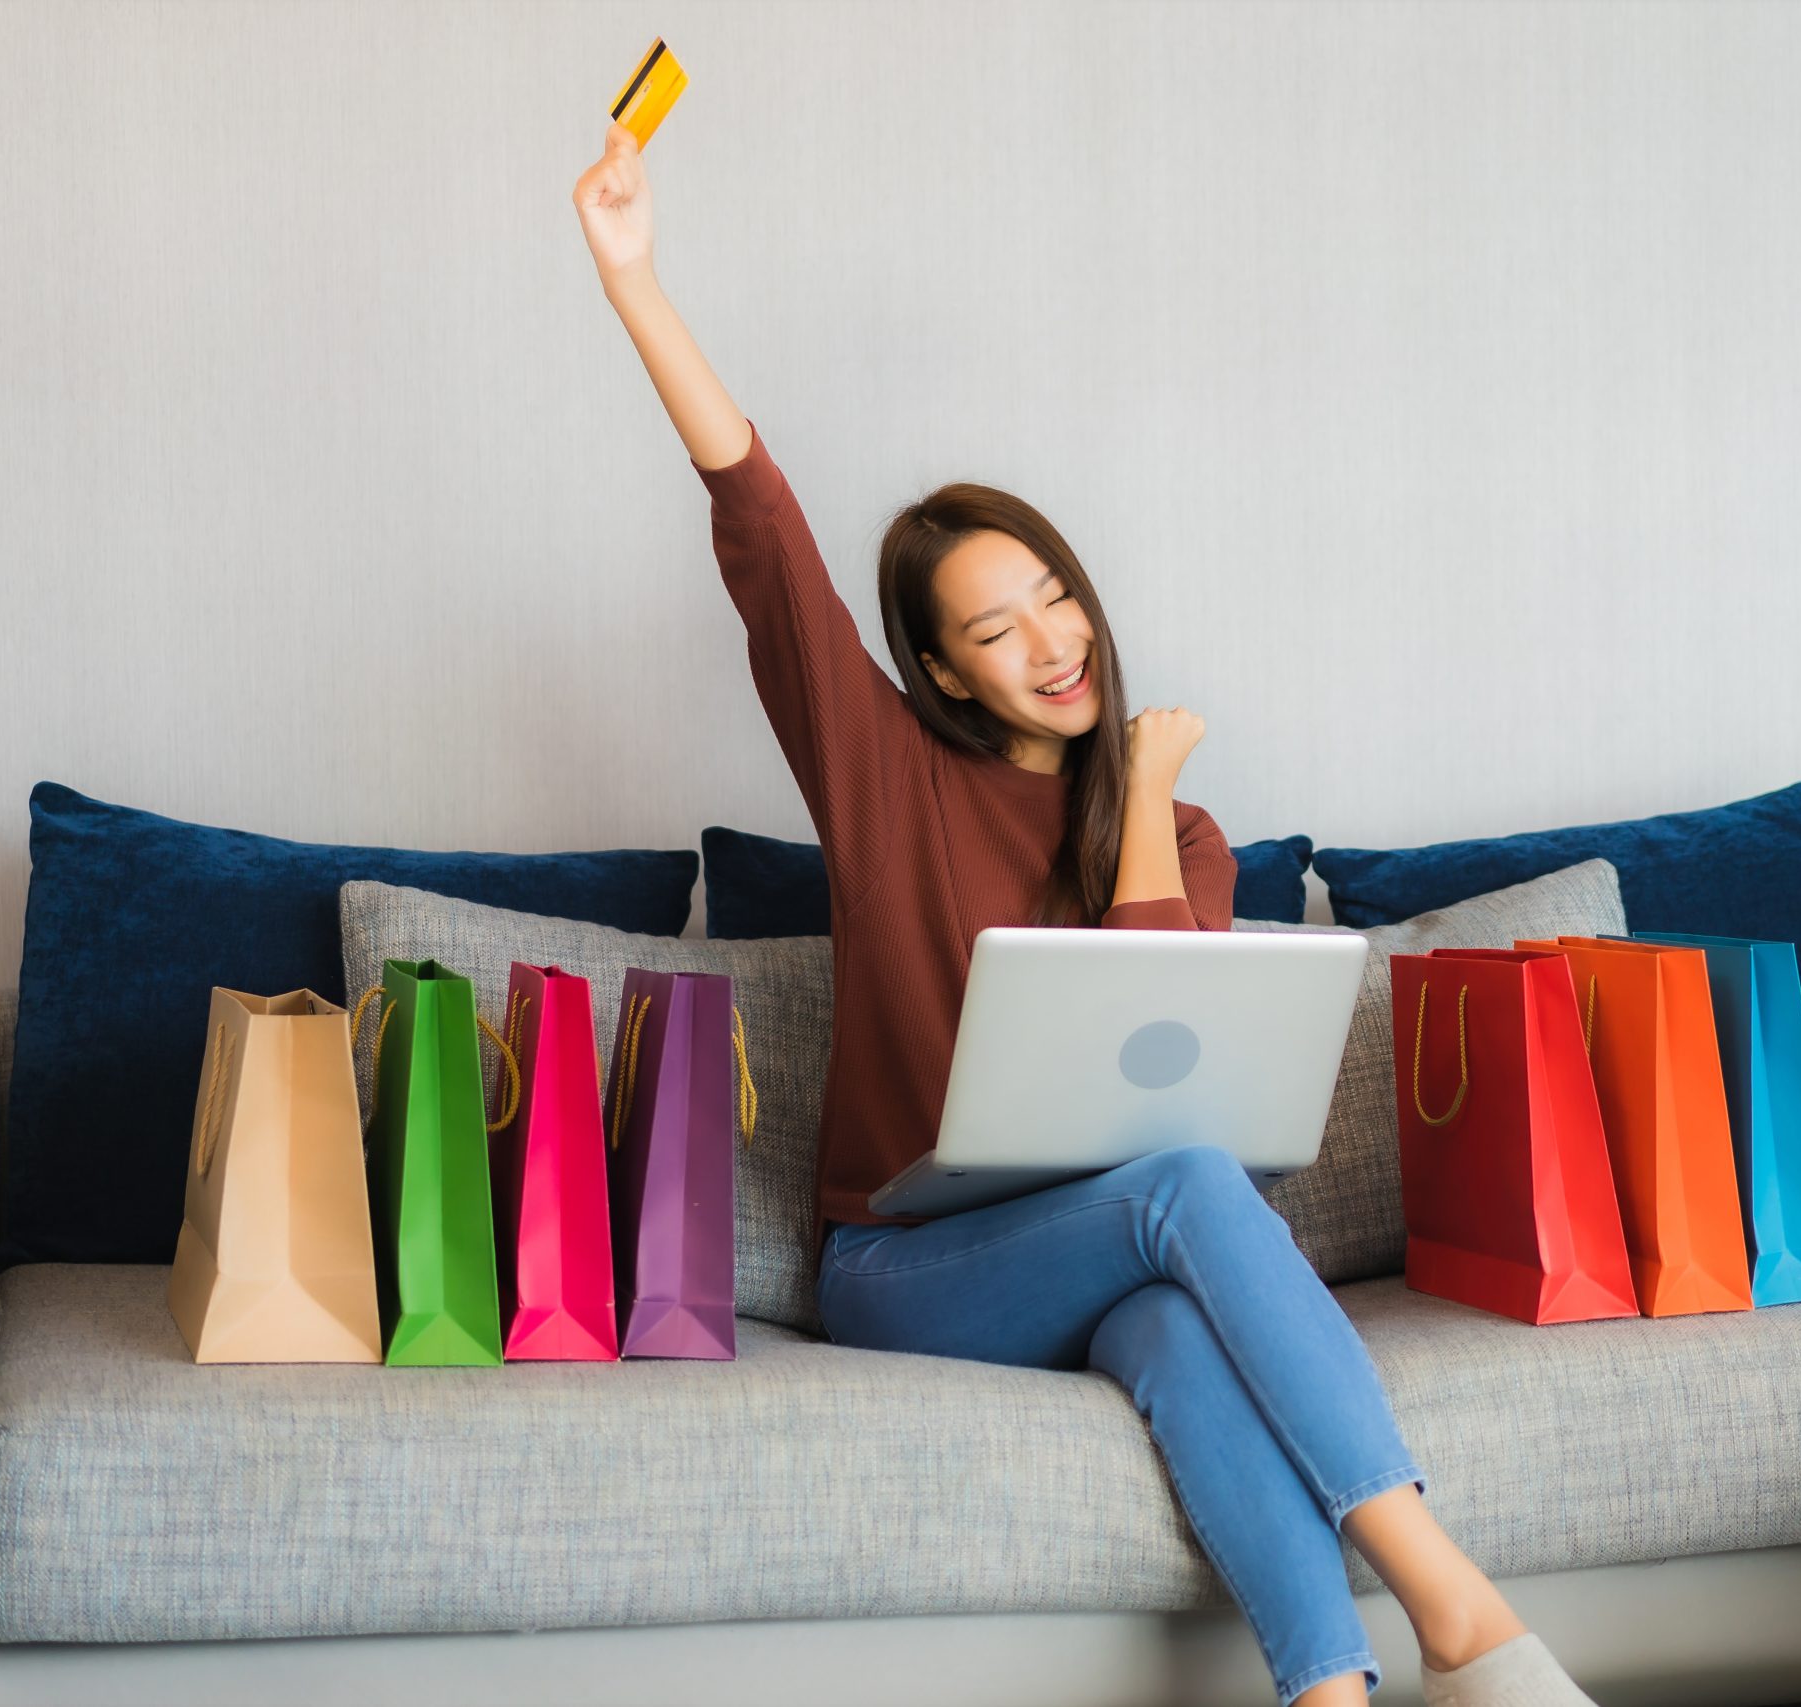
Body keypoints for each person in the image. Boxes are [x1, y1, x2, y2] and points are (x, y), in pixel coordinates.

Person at [573, 121, 1596, 1707]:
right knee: (1186, 1191)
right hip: (902, 1263)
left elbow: (1166, 1074)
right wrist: (636, 281)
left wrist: (1134, 808)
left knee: (1188, 1337)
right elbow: (766, 543)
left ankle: (1331, 1694)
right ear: (943, 672)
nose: (1048, 641)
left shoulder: (1178, 828)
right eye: (993, 629)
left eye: (1051, 593)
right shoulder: (887, 775)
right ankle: (1466, 1619)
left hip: (1091, 1249)